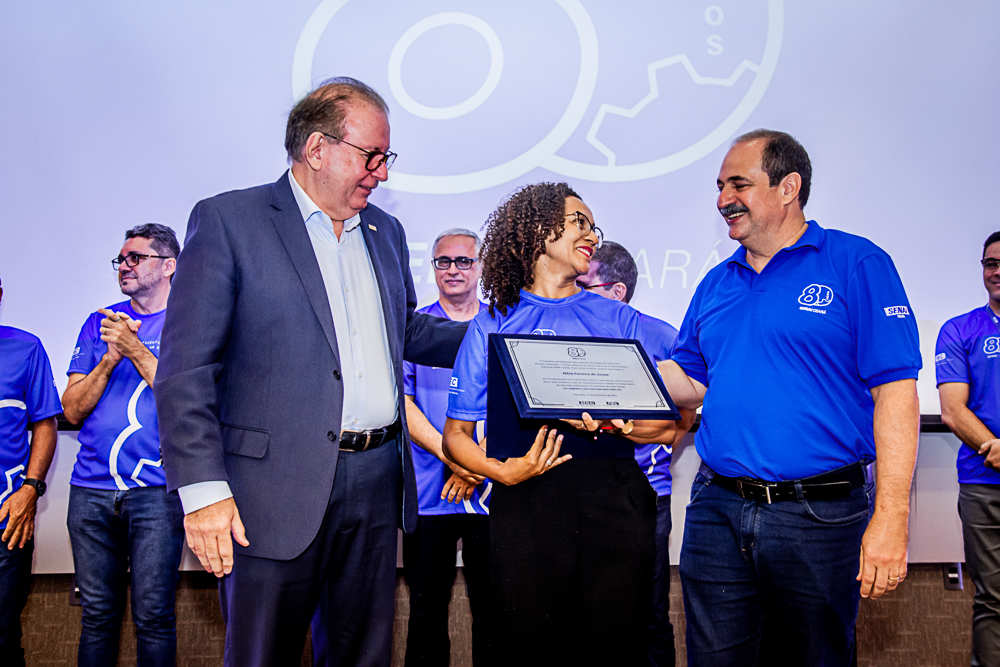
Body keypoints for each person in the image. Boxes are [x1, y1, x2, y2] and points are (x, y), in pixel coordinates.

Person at [153, 77, 467, 666]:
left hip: (376, 483)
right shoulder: (230, 221)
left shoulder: (385, 231)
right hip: (268, 494)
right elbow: (186, 370)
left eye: (386, 156)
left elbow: (410, 332)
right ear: (317, 149)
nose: (383, 171)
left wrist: (501, 339)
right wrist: (201, 493)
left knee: (361, 656)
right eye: (372, 155)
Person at [657, 129, 922, 665]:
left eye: (738, 184)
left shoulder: (855, 263)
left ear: (788, 187)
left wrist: (892, 515)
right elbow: (689, 381)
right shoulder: (716, 282)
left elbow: (896, 390)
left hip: (818, 516)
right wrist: (613, 376)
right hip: (717, 511)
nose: (722, 199)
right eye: (719, 186)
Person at [442, 182, 688, 667]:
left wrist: (617, 426)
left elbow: (671, 425)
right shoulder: (493, 322)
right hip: (526, 502)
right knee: (528, 646)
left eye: (593, 226)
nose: (591, 235)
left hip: (616, 501)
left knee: (614, 648)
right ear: (537, 231)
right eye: (579, 222)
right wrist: (501, 473)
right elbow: (456, 437)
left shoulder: (622, 319)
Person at [61, 224, 185, 666]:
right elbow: (72, 409)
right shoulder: (101, 323)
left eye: (137, 258)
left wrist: (132, 348)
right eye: (121, 260)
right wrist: (110, 358)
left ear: (169, 265)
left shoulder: (189, 321)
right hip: (90, 491)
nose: (125, 267)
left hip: (156, 491)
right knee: (96, 616)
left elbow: (182, 398)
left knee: (153, 616)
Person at [576, 241, 691, 667]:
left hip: (646, 497)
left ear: (617, 291)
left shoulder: (662, 336)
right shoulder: (569, 331)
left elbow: (686, 412)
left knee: (649, 614)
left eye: (584, 285)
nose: (574, 292)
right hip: (580, 490)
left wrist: (660, 436)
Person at [402, 228, 494, 666]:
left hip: (492, 494)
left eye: (464, 261)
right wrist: (453, 455)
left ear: (480, 268)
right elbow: (400, 403)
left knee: (495, 617)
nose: (453, 269)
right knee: (425, 616)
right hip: (427, 494)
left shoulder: (502, 325)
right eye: (444, 261)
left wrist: (472, 461)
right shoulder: (412, 330)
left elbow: (515, 406)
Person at [936, 230, 1000, 666]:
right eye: (990, 263)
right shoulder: (959, 330)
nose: (996, 272)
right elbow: (953, 411)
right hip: (985, 485)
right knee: (993, 601)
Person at [0, 278, 61, 667]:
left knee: (3, 635)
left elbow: (45, 424)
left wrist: (30, 490)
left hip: (7, 519)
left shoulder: (26, 347)